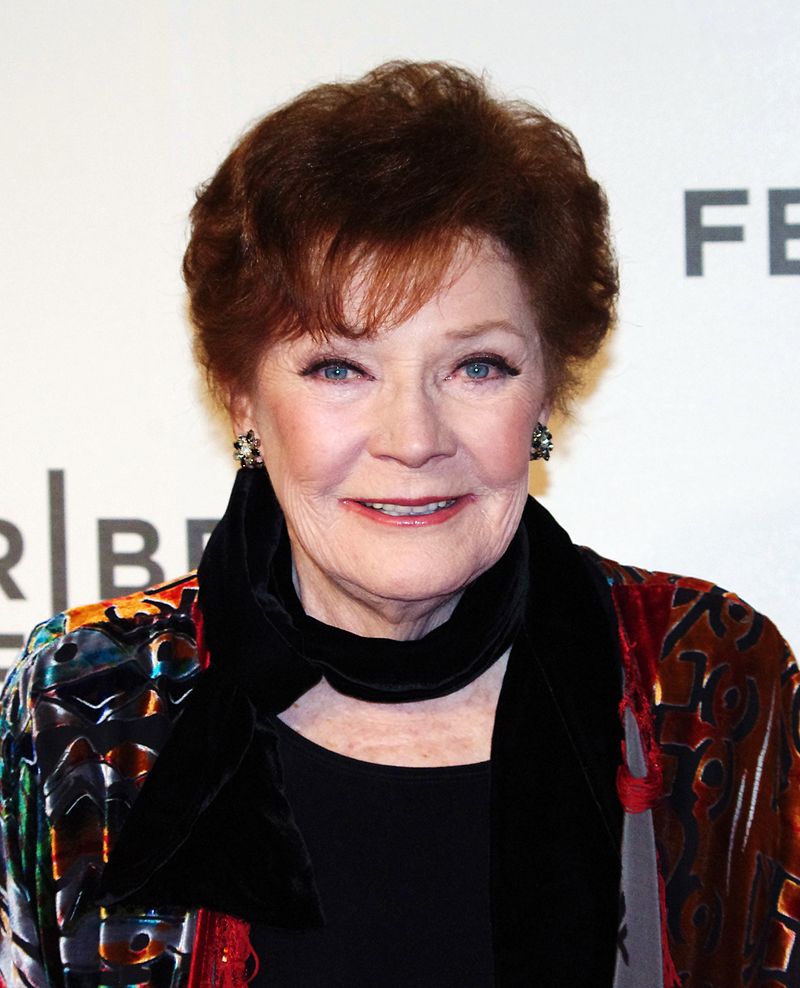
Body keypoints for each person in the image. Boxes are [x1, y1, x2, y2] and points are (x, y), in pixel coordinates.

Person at [0, 61, 797, 988]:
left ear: (548, 390)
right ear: (240, 396)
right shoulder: (92, 702)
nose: (412, 440)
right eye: (340, 367)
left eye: (478, 367)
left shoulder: (703, 684)